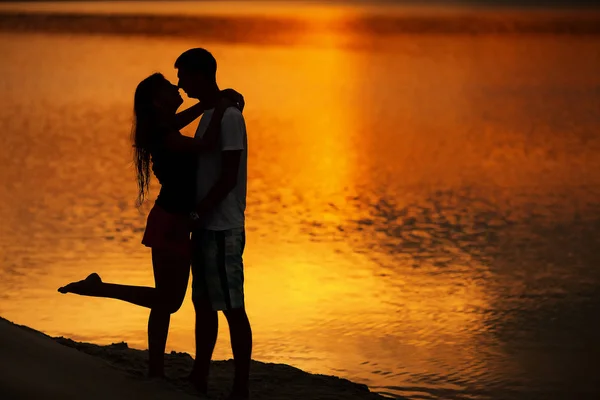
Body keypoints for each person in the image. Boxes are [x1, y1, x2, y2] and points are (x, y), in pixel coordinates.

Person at [57, 72, 244, 379]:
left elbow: (183, 120)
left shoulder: (160, 127)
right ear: (159, 101)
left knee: (162, 298)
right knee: (169, 301)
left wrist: (212, 102)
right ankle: (99, 288)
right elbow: (206, 145)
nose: (178, 87)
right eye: (171, 87)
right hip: (172, 220)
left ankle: (155, 369)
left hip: (170, 218)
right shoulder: (162, 133)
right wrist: (221, 108)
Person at [175, 48, 252, 400]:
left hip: (223, 227)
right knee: (203, 306)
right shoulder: (212, 112)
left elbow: (229, 176)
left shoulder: (229, 116)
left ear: (201, 75)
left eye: (184, 76)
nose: (180, 84)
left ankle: (240, 384)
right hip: (205, 225)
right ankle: (199, 375)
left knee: (234, 307)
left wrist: (199, 212)